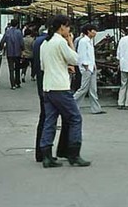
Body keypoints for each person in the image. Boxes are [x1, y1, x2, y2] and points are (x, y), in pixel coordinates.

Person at [39, 15, 90, 168]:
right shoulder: (60, 42)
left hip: (48, 87)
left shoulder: (45, 43)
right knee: (75, 118)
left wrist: (61, 65)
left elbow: (43, 66)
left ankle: (47, 156)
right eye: (68, 27)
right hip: (60, 87)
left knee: (50, 121)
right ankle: (74, 154)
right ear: (62, 27)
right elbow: (75, 59)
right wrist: (70, 42)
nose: (69, 30)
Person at [33, 25, 69, 163]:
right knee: (70, 117)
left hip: (43, 85)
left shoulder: (39, 41)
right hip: (55, 86)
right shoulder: (52, 42)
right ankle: (64, 150)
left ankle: (41, 153)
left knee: (45, 118)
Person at [73, 24, 106, 114]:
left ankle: (96, 108)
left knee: (93, 89)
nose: (95, 32)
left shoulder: (90, 41)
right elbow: (81, 54)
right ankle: (72, 104)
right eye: (93, 31)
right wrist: (85, 65)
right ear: (88, 31)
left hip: (92, 67)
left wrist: (93, 65)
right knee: (83, 88)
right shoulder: (83, 41)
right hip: (87, 68)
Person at [0, 19, 24, 90]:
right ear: (17, 24)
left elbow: (2, 41)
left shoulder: (7, 32)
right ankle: (17, 82)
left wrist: (0, 48)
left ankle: (12, 84)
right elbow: (21, 42)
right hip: (17, 52)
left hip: (9, 53)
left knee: (11, 69)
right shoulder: (19, 32)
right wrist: (23, 49)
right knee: (17, 68)